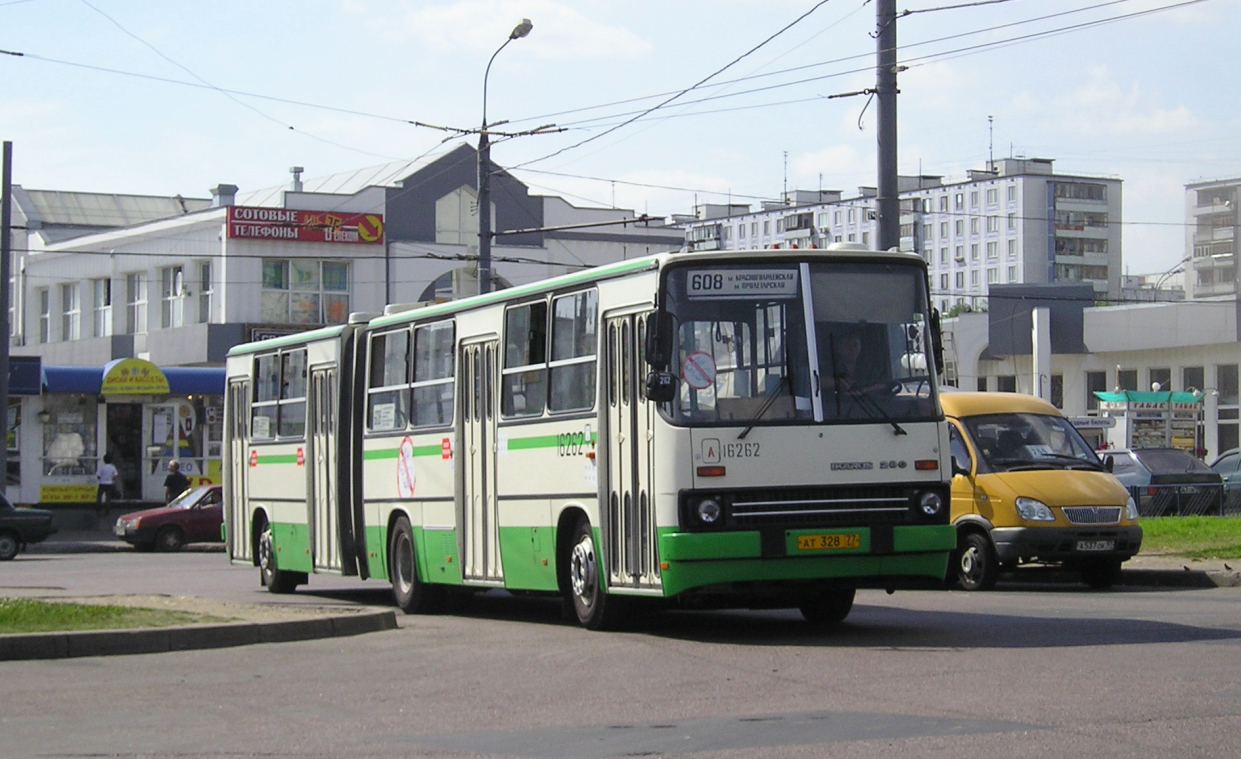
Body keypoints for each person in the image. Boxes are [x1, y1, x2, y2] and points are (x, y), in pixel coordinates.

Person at [95, 453, 119, 518]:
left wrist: (102, 478)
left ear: (104, 460)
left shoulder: (102, 467)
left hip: (102, 483)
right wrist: (111, 479)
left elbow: (98, 475)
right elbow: (115, 476)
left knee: (99, 497)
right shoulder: (112, 467)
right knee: (108, 498)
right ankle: (107, 512)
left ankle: (98, 511)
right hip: (109, 484)